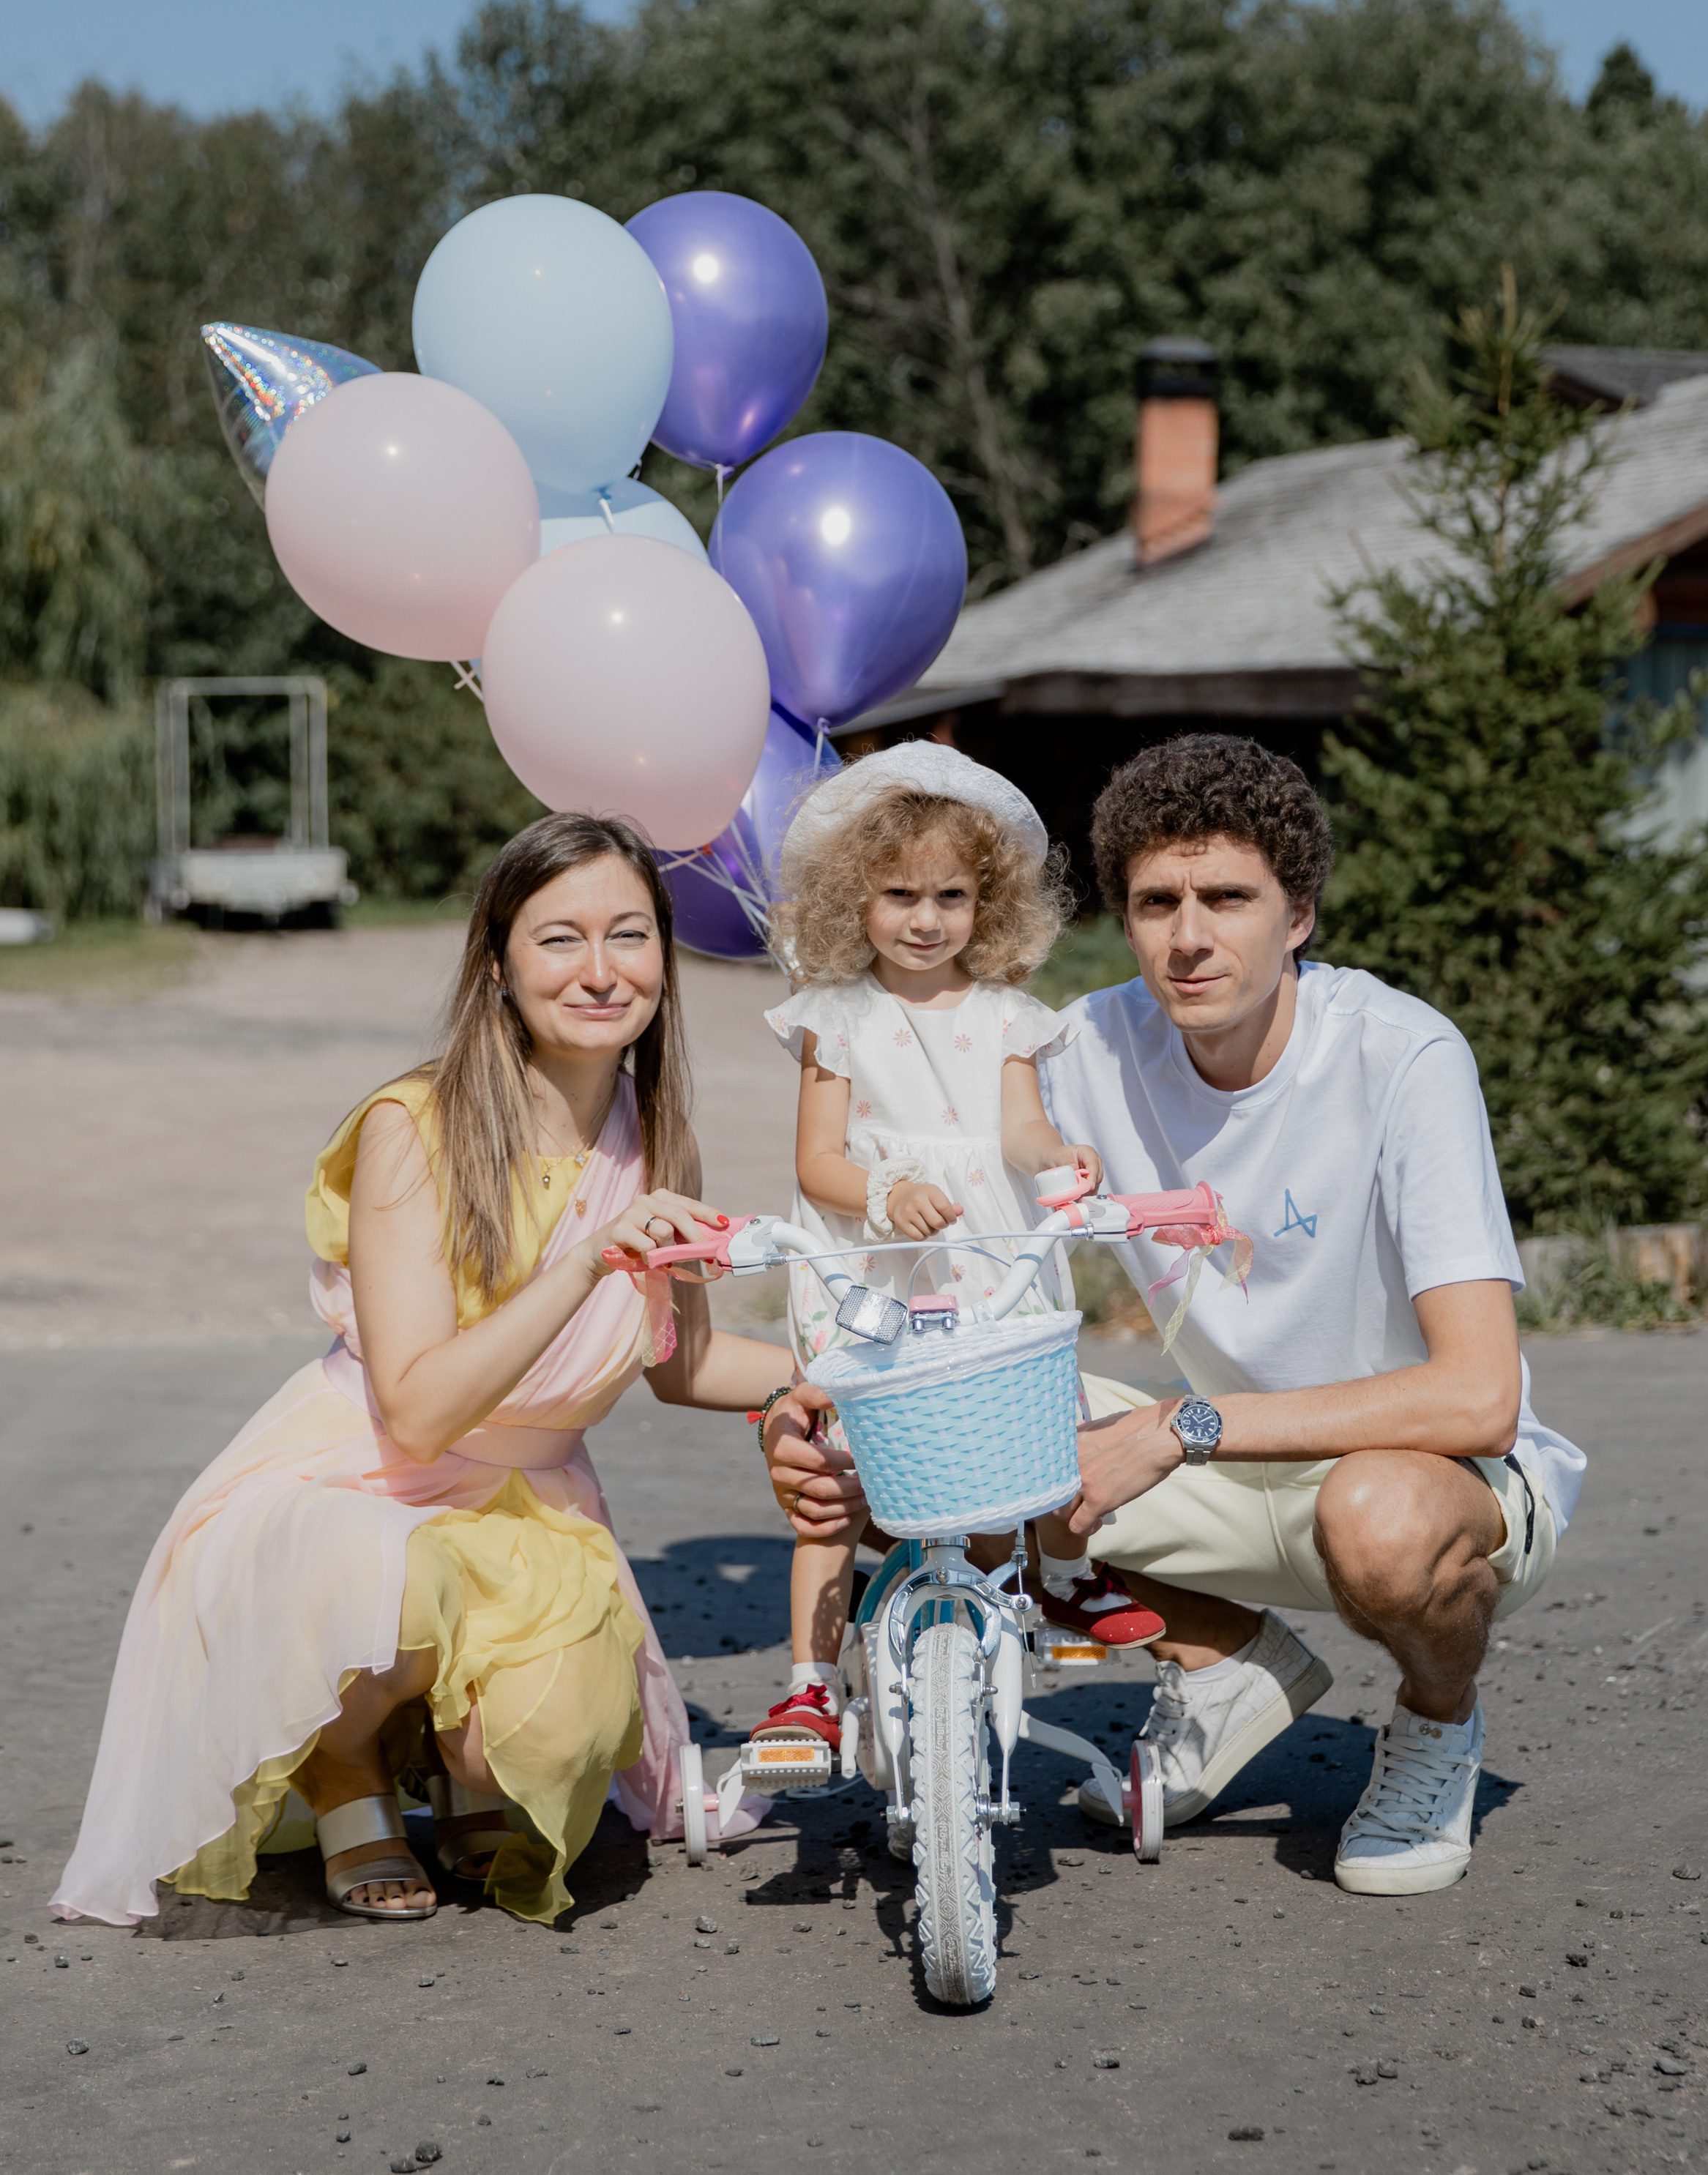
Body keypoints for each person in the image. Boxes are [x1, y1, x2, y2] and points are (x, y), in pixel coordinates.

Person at [52, 813, 789, 1931]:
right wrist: (588, 1257)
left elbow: (679, 1365)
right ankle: (346, 1768)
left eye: (629, 935)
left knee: (554, 1743)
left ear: (664, 960)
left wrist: (861, 1366)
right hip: (361, 1483)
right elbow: (419, 1408)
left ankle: (461, 1764)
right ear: (496, 963)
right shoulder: (417, 1126)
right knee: (389, 1585)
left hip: (531, 1504)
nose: (600, 971)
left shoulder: (657, 1135)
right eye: (559, 939)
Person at [1041, 735, 1586, 1897]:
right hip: (1234, 1470)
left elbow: (1478, 1397)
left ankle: (1436, 1721)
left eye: (1227, 897)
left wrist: (1176, 1426)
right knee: (931, 1453)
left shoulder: (1400, 1056)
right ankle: (1229, 1664)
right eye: (1156, 902)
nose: (1188, 936)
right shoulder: (1083, 1046)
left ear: (1296, 915)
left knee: (1378, 1513)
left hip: (1432, 1481)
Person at [747, 743, 1161, 1767]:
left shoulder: (1008, 1017)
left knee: (1017, 1450)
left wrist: (1057, 1155)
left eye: (951, 896)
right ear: (854, 899)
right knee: (834, 1479)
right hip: (877, 1274)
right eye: (897, 894)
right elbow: (815, 1161)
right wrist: (885, 1194)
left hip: (985, 1255)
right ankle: (807, 1681)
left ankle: (1051, 1580)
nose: (925, 919)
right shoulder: (836, 1018)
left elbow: (1017, 1131)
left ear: (991, 903)